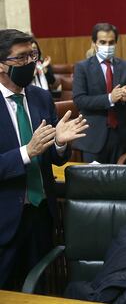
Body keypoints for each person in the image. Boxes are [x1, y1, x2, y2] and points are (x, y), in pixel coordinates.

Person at [0, 29, 88, 290]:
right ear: (1, 65)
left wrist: (60, 143)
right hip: (5, 217)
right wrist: (27, 151)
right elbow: (32, 150)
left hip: (41, 213)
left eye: (33, 55)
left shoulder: (40, 97)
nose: (30, 63)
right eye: (21, 58)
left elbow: (54, 158)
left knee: (39, 286)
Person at [73, 23, 126, 164]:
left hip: (121, 135)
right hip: (94, 136)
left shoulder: (125, 66)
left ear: (116, 42)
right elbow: (79, 100)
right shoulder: (82, 67)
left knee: (120, 183)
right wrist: (110, 98)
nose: (107, 46)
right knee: (94, 183)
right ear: (94, 43)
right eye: (102, 42)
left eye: (111, 42)